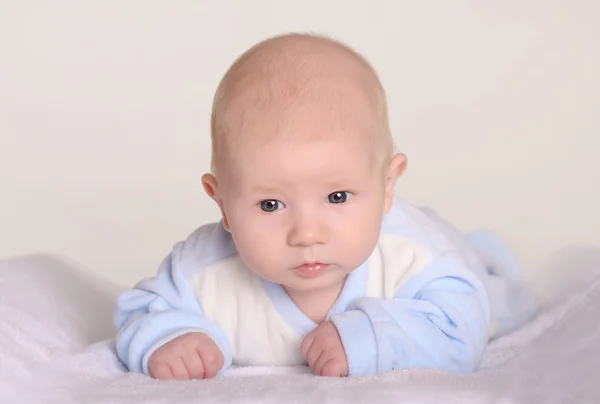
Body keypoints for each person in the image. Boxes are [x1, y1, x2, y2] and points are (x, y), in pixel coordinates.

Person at [114, 33, 536, 380]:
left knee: (498, 293)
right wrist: (170, 337)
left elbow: (463, 330)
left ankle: (486, 249)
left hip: (455, 251)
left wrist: (370, 337)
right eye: (270, 204)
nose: (307, 234)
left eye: (337, 197)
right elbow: (141, 309)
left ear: (387, 185)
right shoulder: (203, 271)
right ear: (221, 202)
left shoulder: (413, 257)